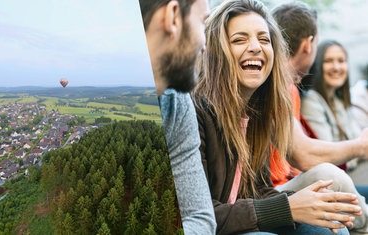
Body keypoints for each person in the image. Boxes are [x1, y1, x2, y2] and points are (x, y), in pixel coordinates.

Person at [194, 0, 360, 234]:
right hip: (216, 227)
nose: (256, 47)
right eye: (239, 40)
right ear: (216, 52)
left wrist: (307, 204)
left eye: (264, 39)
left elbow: (260, 190)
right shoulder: (195, 111)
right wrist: (288, 206)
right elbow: (198, 215)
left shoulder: (256, 111)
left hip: (245, 217)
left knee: (330, 228)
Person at [272, 2, 368, 233]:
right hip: (276, 191)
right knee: (329, 175)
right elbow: (305, 155)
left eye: (341, 61)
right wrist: (361, 147)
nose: (336, 68)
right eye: (329, 60)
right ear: (309, 44)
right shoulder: (278, 88)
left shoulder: (291, 89)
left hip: (291, 183)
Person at [138, 0, 216, 234]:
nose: (204, 45)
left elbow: (200, 217)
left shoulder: (177, 104)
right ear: (173, 16)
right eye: (202, 22)